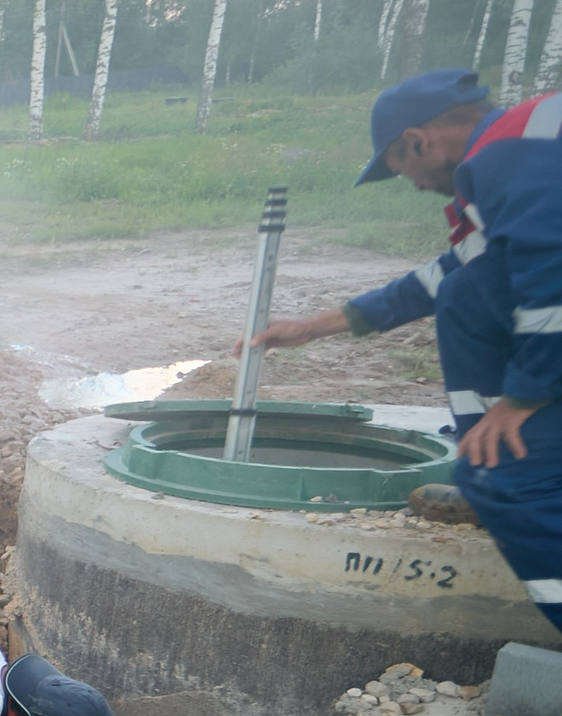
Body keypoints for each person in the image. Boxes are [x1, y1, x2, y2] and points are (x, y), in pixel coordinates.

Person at [239, 68, 562, 627]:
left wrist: (525, 397)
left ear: (418, 140)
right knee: (465, 292)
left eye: (399, 166)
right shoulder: (526, 141)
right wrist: (318, 326)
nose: (409, 182)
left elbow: (555, 276)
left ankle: (509, 475)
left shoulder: (505, 155)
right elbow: (457, 272)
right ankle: (487, 457)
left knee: (515, 491)